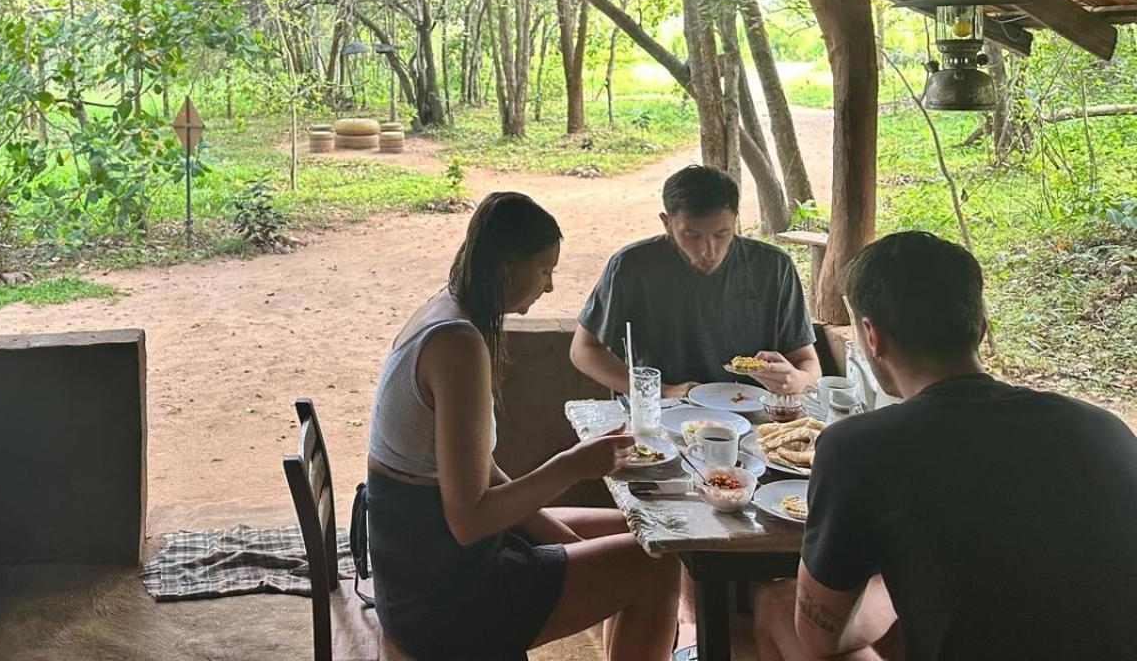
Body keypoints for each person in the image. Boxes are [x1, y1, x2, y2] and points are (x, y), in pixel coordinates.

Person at [754, 231, 1137, 661]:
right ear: (981, 327)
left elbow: (821, 636)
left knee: (777, 606)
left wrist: (888, 591)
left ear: (871, 336)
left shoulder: (859, 447)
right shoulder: (1105, 430)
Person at [365, 191, 679, 661]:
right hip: (440, 597)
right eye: (545, 269)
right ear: (510, 265)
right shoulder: (457, 345)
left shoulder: (446, 309)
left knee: (648, 536)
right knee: (656, 567)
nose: (550, 287)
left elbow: (481, 469)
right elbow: (470, 521)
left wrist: (566, 543)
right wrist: (572, 466)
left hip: (418, 564)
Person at [570, 164, 820, 398]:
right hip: (666, 408)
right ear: (667, 223)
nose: (708, 251)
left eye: (721, 234)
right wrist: (663, 391)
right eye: (692, 235)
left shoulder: (774, 267)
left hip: (753, 410)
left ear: (735, 220)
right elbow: (584, 350)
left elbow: (808, 363)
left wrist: (796, 379)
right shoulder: (632, 266)